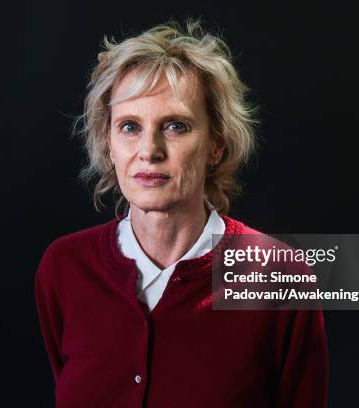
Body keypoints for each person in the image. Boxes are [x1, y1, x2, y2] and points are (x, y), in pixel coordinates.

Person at [35, 19, 328, 407]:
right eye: (129, 127)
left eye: (175, 126)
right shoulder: (65, 268)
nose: (149, 150)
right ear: (108, 143)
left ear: (216, 145)